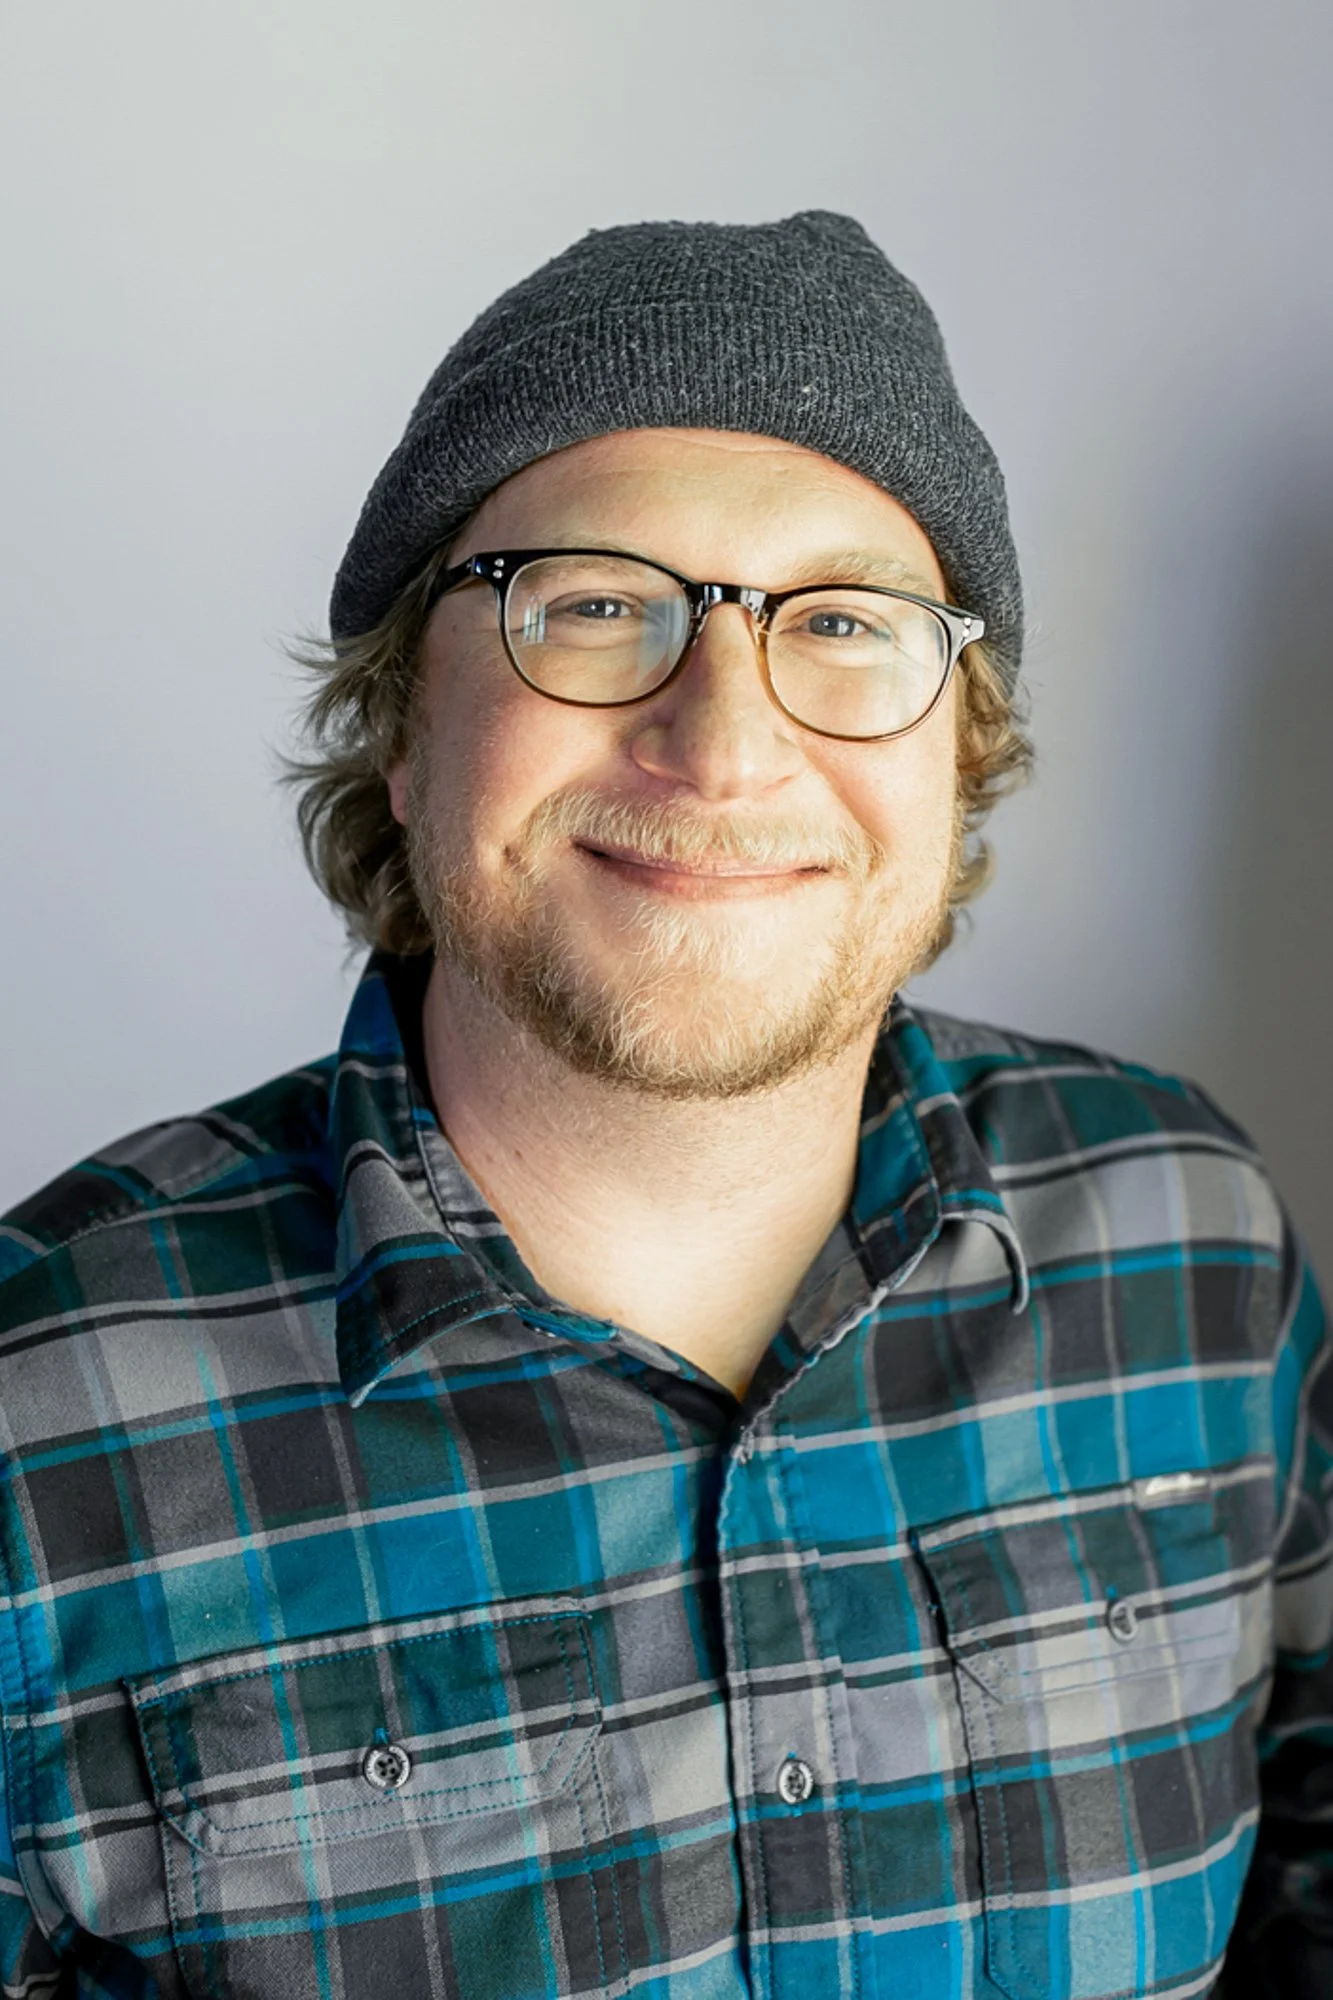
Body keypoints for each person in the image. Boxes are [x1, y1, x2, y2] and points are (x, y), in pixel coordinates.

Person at [0, 212, 1326, 2000]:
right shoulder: (36, 1417)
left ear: (960, 743)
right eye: (596, 606)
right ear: (402, 727)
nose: (723, 745)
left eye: (844, 623)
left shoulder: (1194, 1243)